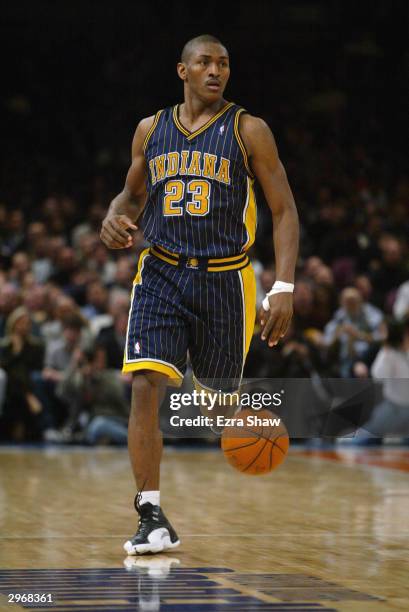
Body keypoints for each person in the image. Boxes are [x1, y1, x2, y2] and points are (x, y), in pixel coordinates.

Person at [100, 34, 299, 555]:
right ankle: (151, 514)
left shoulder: (248, 130)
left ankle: (244, 417)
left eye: (224, 63)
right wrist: (113, 214)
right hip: (162, 271)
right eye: (205, 63)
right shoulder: (151, 130)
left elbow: (283, 210)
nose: (216, 70)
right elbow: (133, 194)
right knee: (145, 383)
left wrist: (283, 285)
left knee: (214, 413)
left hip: (226, 279)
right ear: (182, 71)